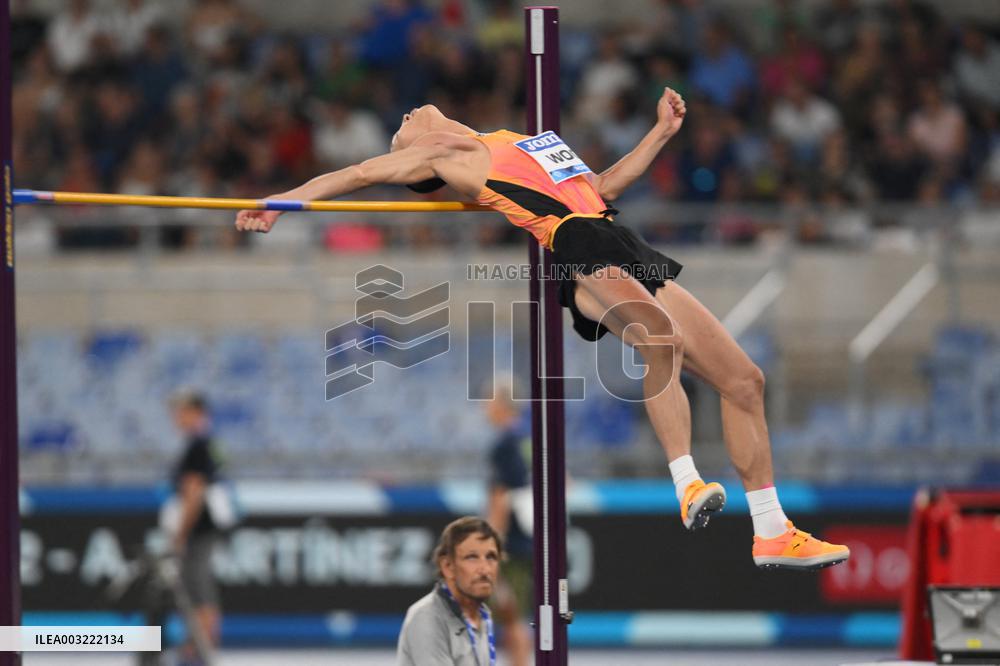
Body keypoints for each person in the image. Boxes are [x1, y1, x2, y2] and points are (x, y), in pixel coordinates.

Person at [235, 88, 850, 571]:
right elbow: (354, 177)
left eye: (404, 120)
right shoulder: (441, 155)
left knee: (744, 380)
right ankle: (687, 483)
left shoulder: (519, 140)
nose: (407, 114)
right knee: (659, 338)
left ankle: (771, 531)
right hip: (574, 246)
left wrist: (660, 133)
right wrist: (279, 201)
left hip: (615, 233)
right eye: (402, 125)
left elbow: (600, 188)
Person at [167, 391, 225, 664]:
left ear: (195, 412)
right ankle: (199, 646)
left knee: (196, 588)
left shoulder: (197, 445)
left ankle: (199, 648)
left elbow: (194, 491)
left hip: (198, 529)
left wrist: (181, 532)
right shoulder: (205, 444)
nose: (176, 417)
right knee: (198, 586)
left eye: (181, 411)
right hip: (203, 527)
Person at [397, 517, 501, 666]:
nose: (485, 569)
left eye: (491, 557)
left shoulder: (483, 615)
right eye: (472, 557)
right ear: (447, 566)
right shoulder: (426, 616)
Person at [484, 378, 531, 666]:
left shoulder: (504, 444)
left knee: (511, 615)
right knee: (513, 615)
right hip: (532, 537)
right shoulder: (529, 439)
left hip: (511, 543)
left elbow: (500, 498)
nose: (484, 407)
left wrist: (490, 544)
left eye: (488, 400)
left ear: (501, 404)